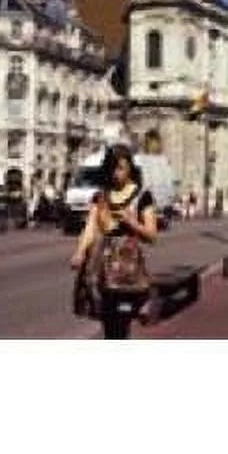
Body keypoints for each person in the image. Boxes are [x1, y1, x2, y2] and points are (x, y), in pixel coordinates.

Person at [69, 144, 158, 339]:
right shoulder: (101, 196)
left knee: (122, 320)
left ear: (130, 169)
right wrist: (80, 251)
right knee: (107, 320)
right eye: (113, 168)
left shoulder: (142, 196)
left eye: (121, 168)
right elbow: (91, 227)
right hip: (101, 266)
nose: (116, 173)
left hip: (128, 268)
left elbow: (152, 235)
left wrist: (132, 223)